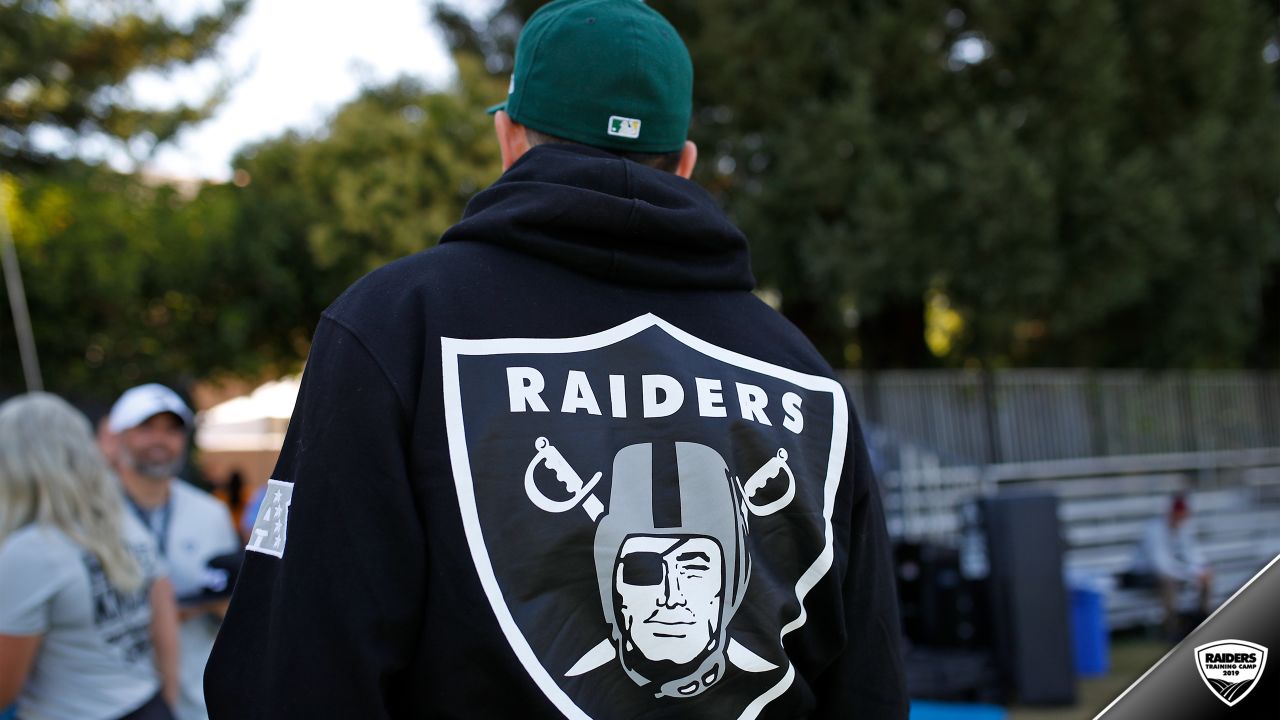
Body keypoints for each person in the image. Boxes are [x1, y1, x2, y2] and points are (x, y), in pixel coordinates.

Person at [205, 0, 907, 717]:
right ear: (686, 164)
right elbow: (870, 685)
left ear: (510, 139)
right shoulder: (803, 377)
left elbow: (294, 672)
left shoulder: (396, 326)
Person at [0, 393, 180, 720]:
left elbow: (3, 689)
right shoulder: (121, 520)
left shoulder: (29, 551)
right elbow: (165, 627)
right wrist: (167, 702)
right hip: (149, 705)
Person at [103, 384, 241, 720]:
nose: (159, 441)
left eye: (171, 430)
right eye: (146, 428)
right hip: (112, 696)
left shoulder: (211, 512)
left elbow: (230, 601)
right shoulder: (88, 512)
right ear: (117, 436)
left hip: (196, 693)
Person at [1127, 493, 1213, 639]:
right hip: (1141, 574)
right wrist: (1191, 574)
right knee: (1168, 582)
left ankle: (1202, 619)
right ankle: (1172, 629)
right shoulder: (1154, 530)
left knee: (1207, 577)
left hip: (1170, 571)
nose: (1182, 519)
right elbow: (1160, 565)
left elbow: (1192, 555)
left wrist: (1200, 571)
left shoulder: (1184, 528)